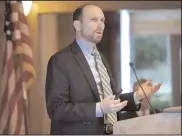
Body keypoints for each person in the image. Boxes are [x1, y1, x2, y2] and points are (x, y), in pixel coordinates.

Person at [45, 4, 162, 135]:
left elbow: (110, 101)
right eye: (94, 19)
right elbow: (56, 110)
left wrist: (136, 96)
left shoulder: (102, 58)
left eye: (102, 20)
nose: (100, 25)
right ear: (78, 25)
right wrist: (98, 108)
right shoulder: (60, 61)